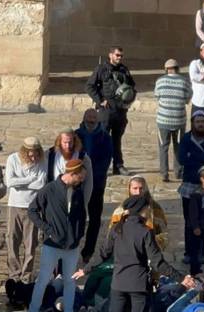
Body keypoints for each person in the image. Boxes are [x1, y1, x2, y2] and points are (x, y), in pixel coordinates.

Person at [72, 195, 193, 312]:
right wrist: (181, 278)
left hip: (119, 283)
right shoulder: (145, 232)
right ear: (142, 210)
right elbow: (159, 263)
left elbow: (102, 254)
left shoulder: (116, 229)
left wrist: (85, 270)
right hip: (138, 284)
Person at [109, 176, 168, 312]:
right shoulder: (121, 210)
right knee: (125, 307)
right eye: (134, 188)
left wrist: (151, 244)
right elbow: (112, 236)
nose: (138, 191)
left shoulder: (155, 209)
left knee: (146, 305)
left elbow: (164, 233)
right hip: (127, 264)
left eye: (141, 188)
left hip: (149, 261)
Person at [27, 160, 87, 312]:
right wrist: (48, 230)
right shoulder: (50, 189)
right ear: (72, 174)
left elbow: (82, 216)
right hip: (52, 244)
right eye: (80, 177)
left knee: (70, 281)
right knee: (43, 279)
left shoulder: (78, 192)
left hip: (72, 245)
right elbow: (32, 211)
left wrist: (78, 235)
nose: (81, 180)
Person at [86, 46, 136, 176]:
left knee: (116, 140)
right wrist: (100, 100)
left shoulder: (124, 70)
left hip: (120, 110)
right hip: (106, 110)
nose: (119, 58)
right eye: (117, 55)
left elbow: (132, 86)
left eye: (121, 56)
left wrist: (129, 99)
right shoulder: (101, 69)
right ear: (110, 55)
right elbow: (89, 86)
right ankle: (99, 165)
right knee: (102, 139)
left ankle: (118, 166)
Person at [5, 137, 47, 286]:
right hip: (14, 205)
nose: (33, 157)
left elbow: (40, 184)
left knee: (30, 243)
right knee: (12, 240)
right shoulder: (13, 159)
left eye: (35, 154)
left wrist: (20, 182)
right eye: (30, 154)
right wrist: (29, 179)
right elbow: (9, 182)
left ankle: (26, 275)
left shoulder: (42, 161)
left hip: (32, 206)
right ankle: (14, 273)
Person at [178, 110, 204, 263]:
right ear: (193, 123)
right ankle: (189, 252)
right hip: (189, 185)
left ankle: (202, 253)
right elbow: (182, 159)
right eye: (198, 122)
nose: (201, 124)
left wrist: (192, 155)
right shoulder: (186, 138)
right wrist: (202, 157)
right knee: (189, 220)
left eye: (203, 121)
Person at [76, 110, 113, 262]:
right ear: (84, 119)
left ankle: (88, 251)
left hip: (97, 183)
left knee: (95, 218)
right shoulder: (76, 135)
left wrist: (92, 175)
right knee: (77, 216)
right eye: (88, 118)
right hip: (78, 183)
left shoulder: (105, 137)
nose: (91, 121)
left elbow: (106, 160)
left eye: (93, 119)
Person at [154, 59, 193, 182]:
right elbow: (188, 97)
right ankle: (178, 172)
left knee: (163, 147)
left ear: (166, 69)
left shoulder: (160, 81)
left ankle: (164, 173)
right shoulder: (185, 82)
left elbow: (157, 96)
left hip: (163, 120)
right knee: (179, 147)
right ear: (178, 68)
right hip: (179, 120)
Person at [46, 128, 93, 208]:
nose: (67, 146)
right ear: (59, 141)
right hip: (54, 200)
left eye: (70, 142)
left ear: (74, 141)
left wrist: (84, 204)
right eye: (65, 142)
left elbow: (88, 183)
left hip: (75, 201)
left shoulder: (83, 158)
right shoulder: (49, 155)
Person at [185, 166, 204, 276]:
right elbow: (193, 212)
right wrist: (195, 226)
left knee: (202, 247)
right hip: (197, 227)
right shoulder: (197, 194)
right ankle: (194, 270)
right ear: (202, 179)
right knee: (195, 249)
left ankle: (199, 264)